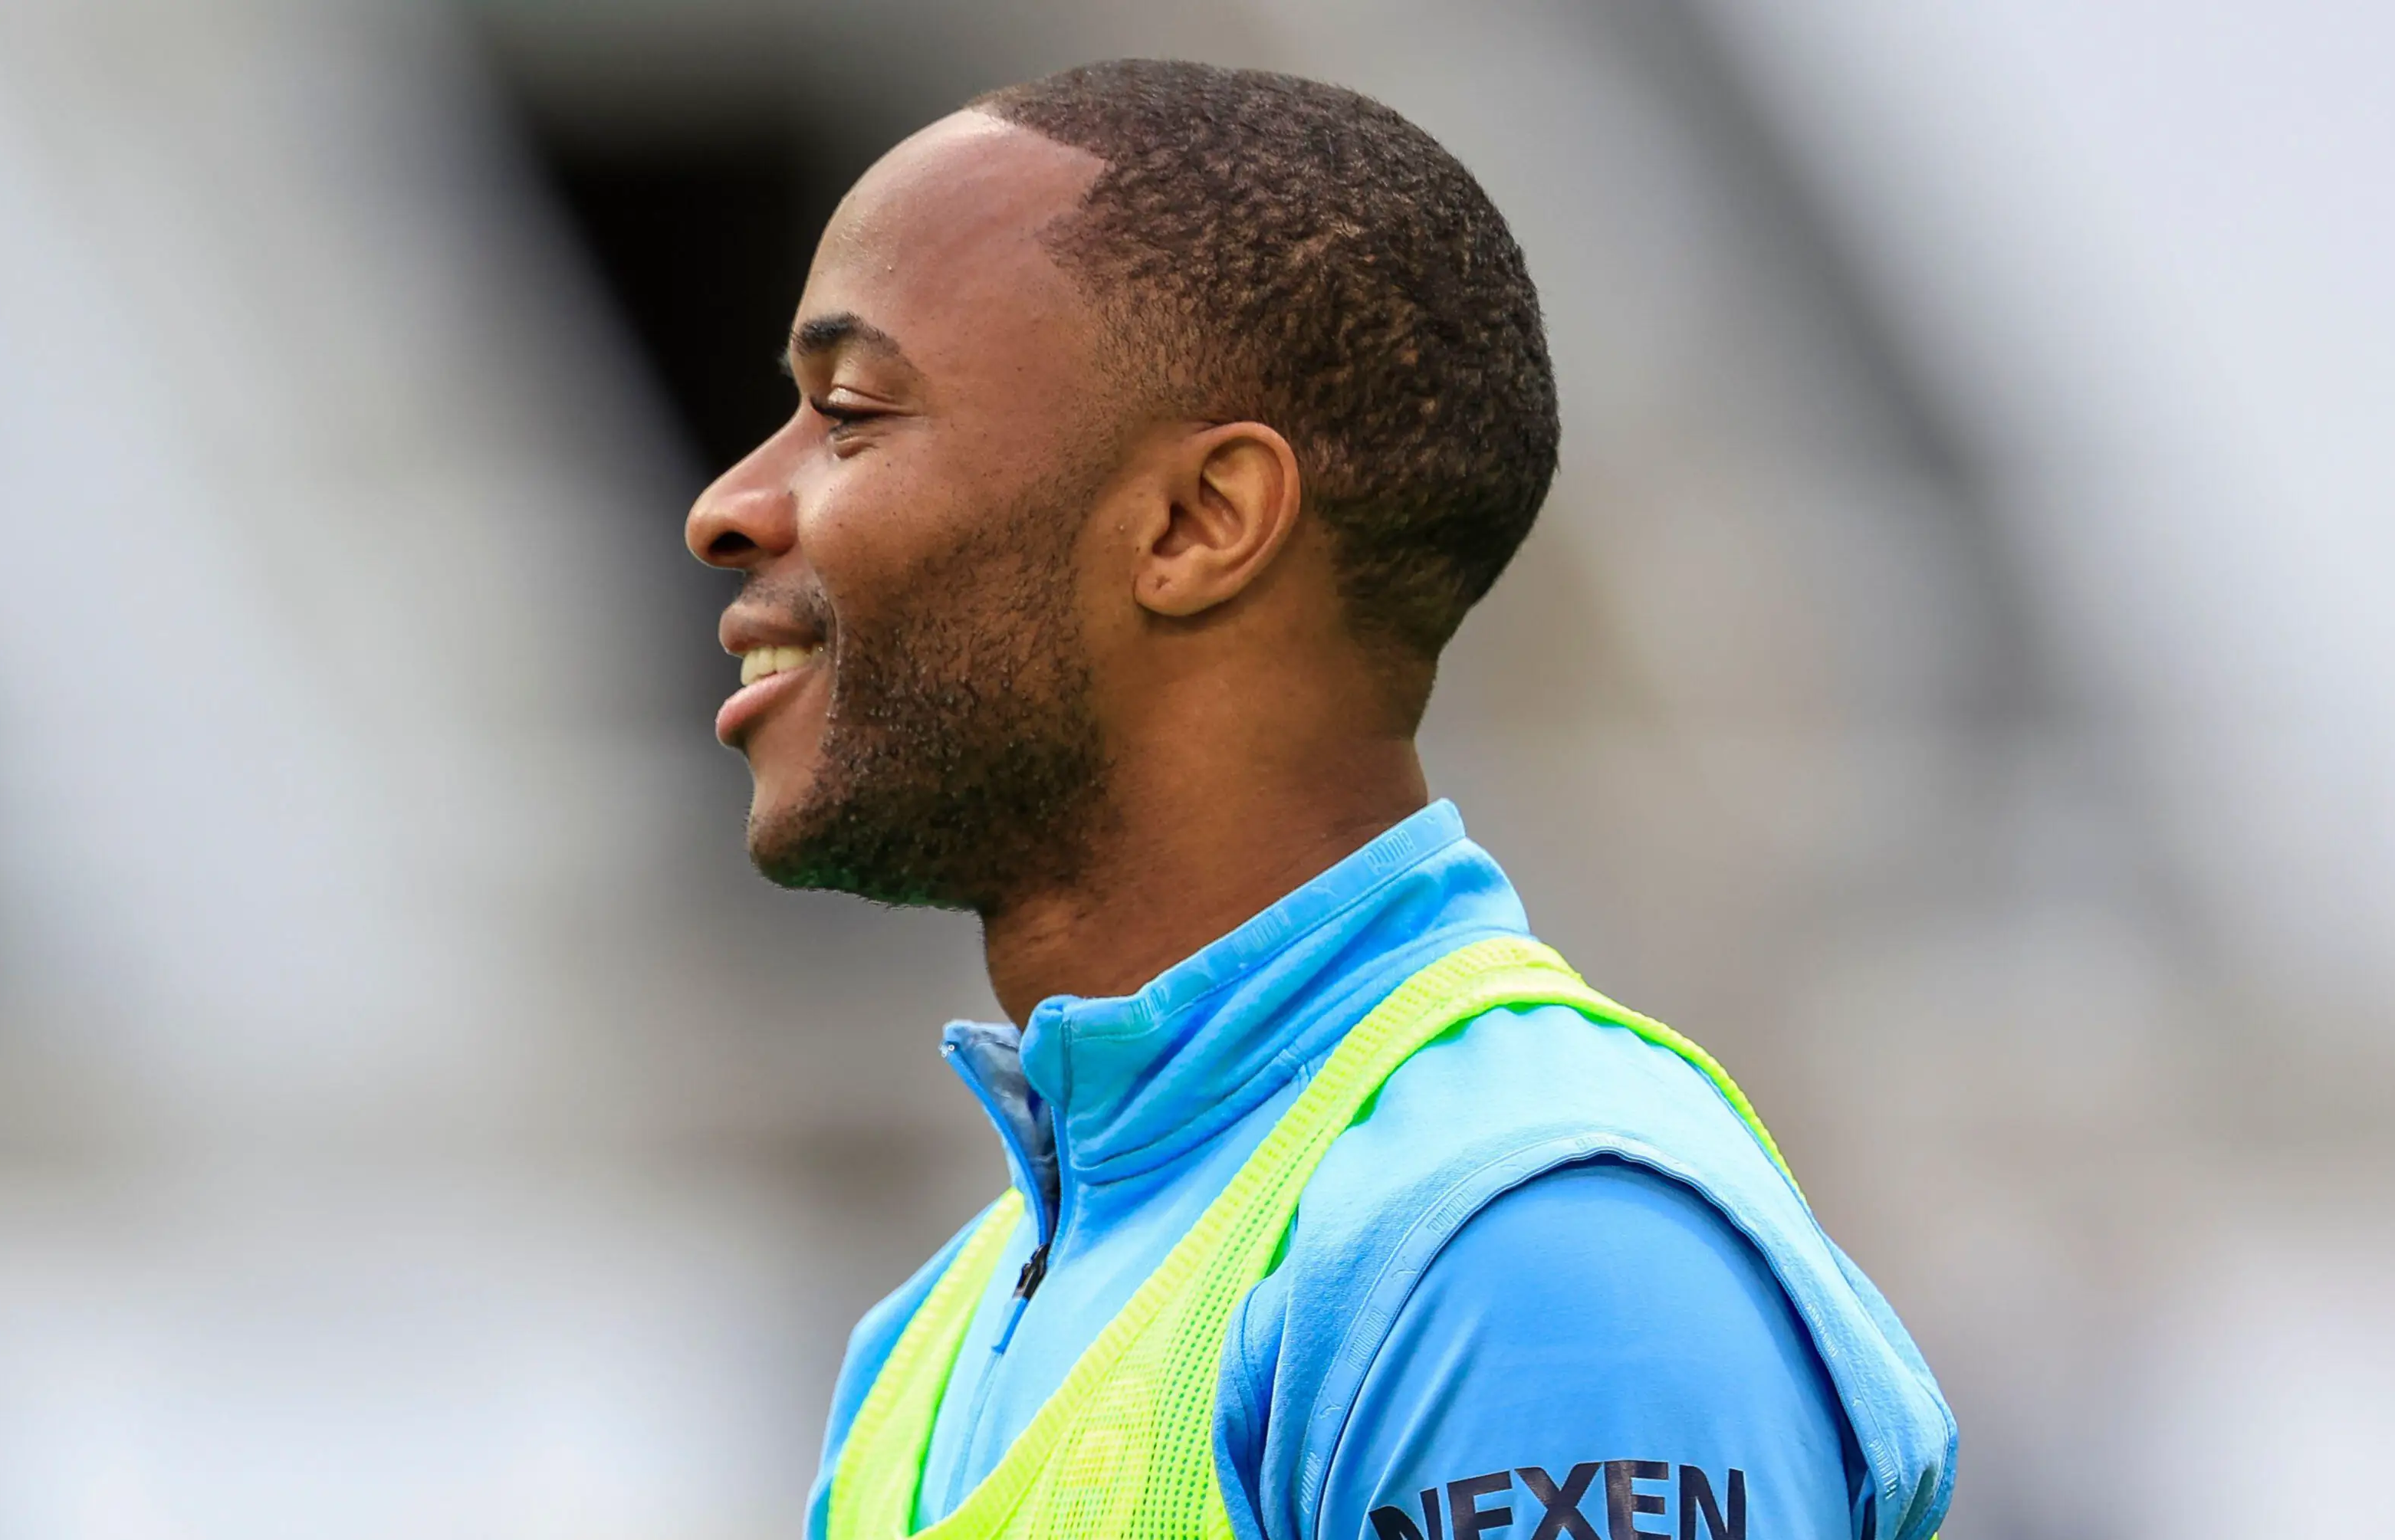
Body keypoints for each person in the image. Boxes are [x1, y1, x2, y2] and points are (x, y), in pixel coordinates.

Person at [685, 60, 1955, 1540]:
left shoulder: (1528, 1255)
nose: (729, 505)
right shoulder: (929, 1341)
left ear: (1198, 523)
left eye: (848, 414)